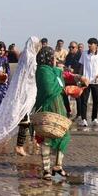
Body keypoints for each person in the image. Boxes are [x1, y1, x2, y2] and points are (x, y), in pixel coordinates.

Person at [0, 37, 41, 157]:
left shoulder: (24, 56)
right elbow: (29, 75)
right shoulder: (29, 57)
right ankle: (15, 143)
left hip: (15, 89)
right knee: (11, 115)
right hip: (21, 91)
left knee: (19, 117)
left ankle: (12, 140)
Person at [33, 46, 88, 180]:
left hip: (59, 107)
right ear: (47, 58)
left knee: (64, 135)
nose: (55, 60)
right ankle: (46, 170)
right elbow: (49, 89)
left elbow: (64, 76)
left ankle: (58, 166)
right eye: (53, 57)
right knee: (47, 137)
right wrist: (67, 89)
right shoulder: (42, 71)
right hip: (48, 107)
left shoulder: (52, 70)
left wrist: (78, 79)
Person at [79, 38, 98, 127]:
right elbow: (81, 67)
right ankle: (84, 119)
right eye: (89, 44)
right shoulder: (84, 53)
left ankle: (94, 119)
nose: (89, 45)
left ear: (96, 45)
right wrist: (80, 77)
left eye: (91, 44)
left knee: (96, 101)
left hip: (96, 81)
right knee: (84, 101)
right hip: (85, 81)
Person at [65, 41, 82, 120]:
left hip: (77, 78)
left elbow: (82, 68)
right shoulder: (68, 56)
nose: (71, 49)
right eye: (69, 47)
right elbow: (66, 65)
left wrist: (74, 70)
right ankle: (68, 111)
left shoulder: (80, 56)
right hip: (68, 78)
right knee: (64, 94)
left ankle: (79, 114)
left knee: (77, 96)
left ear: (77, 48)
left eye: (73, 47)